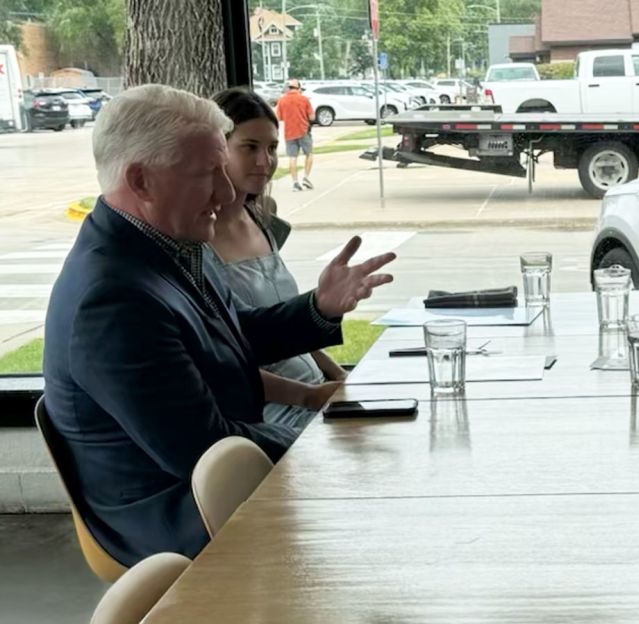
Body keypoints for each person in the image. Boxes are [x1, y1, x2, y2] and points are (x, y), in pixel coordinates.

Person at [42, 84, 396, 566]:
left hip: (215, 476)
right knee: (381, 507)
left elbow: (233, 335)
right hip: (176, 515)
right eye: (208, 173)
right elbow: (205, 451)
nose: (228, 192)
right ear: (141, 181)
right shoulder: (110, 301)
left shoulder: (166, 242)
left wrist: (319, 307)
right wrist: (320, 445)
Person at [208, 87, 345, 430]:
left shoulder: (261, 217)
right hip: (269, 413)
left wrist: (339, 376)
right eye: (250, 148)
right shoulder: (198, 241)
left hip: (313, 394)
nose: (265, 161)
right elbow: (223, 362)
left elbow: (287, 327)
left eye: (271, 148)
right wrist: (311, 396)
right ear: (216, 149)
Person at [274, 79, 314, 192]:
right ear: (299, 88)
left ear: (289, 88)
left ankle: (295, 182)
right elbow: (312, 117)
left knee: (292, 157)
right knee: (309, 154)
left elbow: (279, 117)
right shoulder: (304, 99)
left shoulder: (282, 100)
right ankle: (306, 177)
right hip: (303, 130)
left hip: (289, 132)